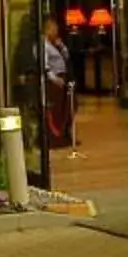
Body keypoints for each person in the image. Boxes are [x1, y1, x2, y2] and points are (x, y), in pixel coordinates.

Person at [40, 16, 77, 154]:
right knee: (55, 110)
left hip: (63, 77)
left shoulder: (53, 44)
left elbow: (66, 56)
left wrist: (61, 46)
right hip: (54, 81)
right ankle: (56, 137)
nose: (56, 31)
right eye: (53, 29)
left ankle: (65, 134)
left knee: (68, 107)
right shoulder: (44, 44)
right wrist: (54, 79)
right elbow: (45, 65)